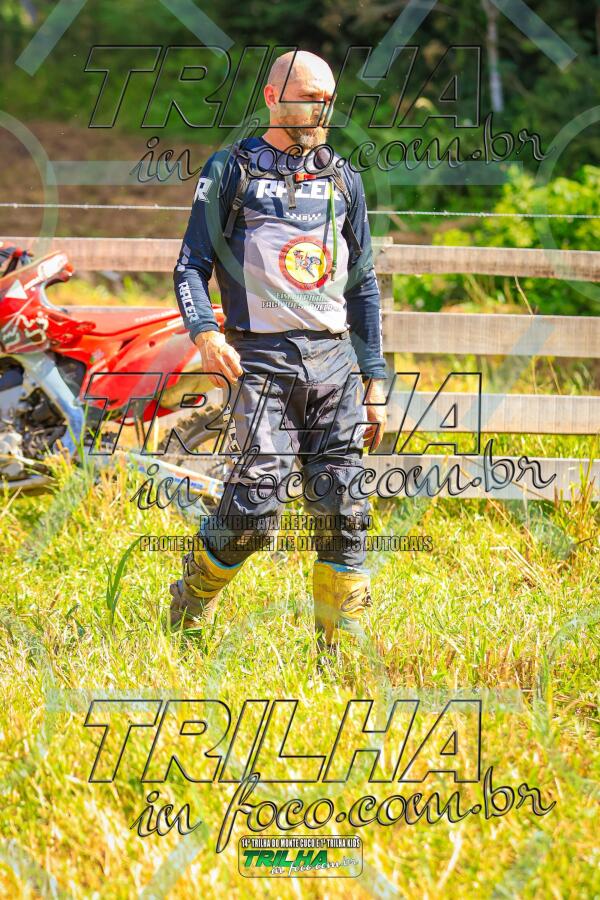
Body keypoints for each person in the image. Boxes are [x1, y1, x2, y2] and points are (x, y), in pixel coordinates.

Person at [170, 49, 388, 652]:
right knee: (255, 507)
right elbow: (190, 267)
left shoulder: (343, 177)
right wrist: (206, 333)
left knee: (345, 509)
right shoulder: (231, 169)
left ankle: (338, 654)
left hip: (335, 363)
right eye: (310, 97)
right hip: (262, 360)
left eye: (328, 99)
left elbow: (364, 284)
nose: (323, 109)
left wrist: (374, 378)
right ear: (272, 97)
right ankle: (190, 601)